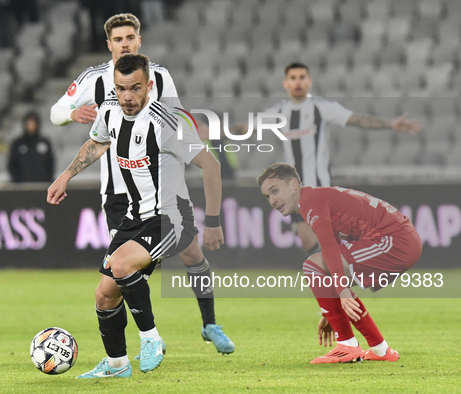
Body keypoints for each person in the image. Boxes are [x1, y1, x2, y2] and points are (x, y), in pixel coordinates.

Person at [50, 13, 234, 354]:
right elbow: (58, 113)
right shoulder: (95, 81)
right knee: (123, 275)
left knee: (190, 253)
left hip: (162, 188)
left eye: (129, 38)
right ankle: (135, 347)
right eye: (117, 39)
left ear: (138, 40)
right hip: (118, 193)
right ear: (109, 45)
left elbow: (178, 120)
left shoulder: (160, 77)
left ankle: (207, 323)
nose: (124, 44)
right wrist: (71, 116)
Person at [234, 62, 422, 255]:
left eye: (301, 77)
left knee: (320, 242)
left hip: (319, 186)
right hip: (293, 190)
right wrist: (213, 131)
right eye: (293, 78)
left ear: (309, 81)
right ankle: (339, 275)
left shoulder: (321, 107)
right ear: (286, 84)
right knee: (312, 242)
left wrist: (391, 124)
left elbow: (356, 119)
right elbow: (244, 128)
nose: (297, 82)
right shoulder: (279, 112)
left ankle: (340, 274)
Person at [258, 163, 422, 364]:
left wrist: (341, 291)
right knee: (323, 270)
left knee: (313, 266)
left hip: (394, 242)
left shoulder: (310, 201)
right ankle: (381, 350)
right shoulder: (316, 197)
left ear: (293, 184)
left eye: (275, 191)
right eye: (267, 196)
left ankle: (347, 345)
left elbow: (328, 246)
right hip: (401, 240)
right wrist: (331, 309)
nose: (273, 200)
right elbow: (335, 245)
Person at [8, 110, 54, 183]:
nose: (31, 126)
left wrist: (47, 180)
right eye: (29, 123)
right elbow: (12, 165)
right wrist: (17, 181)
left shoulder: (45, 143)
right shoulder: (17, 143)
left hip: (42, 185)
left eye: (33, 123)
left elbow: (50, 163)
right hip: (22, 186)